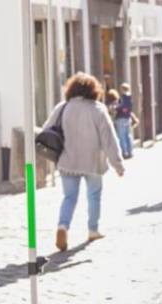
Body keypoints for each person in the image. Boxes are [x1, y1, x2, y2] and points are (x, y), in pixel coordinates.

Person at [45, 73, 124, 252]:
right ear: (93, 90)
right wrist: (117, 164)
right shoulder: (98, 109)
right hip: (93, 162)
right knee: (94, 195)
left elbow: (46, 130)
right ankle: (93, 230)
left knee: (69, 197)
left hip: (67, 160)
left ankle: (62, 227)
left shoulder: (62, 107)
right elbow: (109, 139)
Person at [114, 83, 136, 159]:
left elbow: (122, 106)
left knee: (122, 136)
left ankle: (125, 152)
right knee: (128, 135)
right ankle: (130, 151)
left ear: (122, 89)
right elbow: (129, 108)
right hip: (127, 118)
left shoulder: (123, 97)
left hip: (121, 118)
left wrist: (116, 107)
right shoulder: (130, 97)